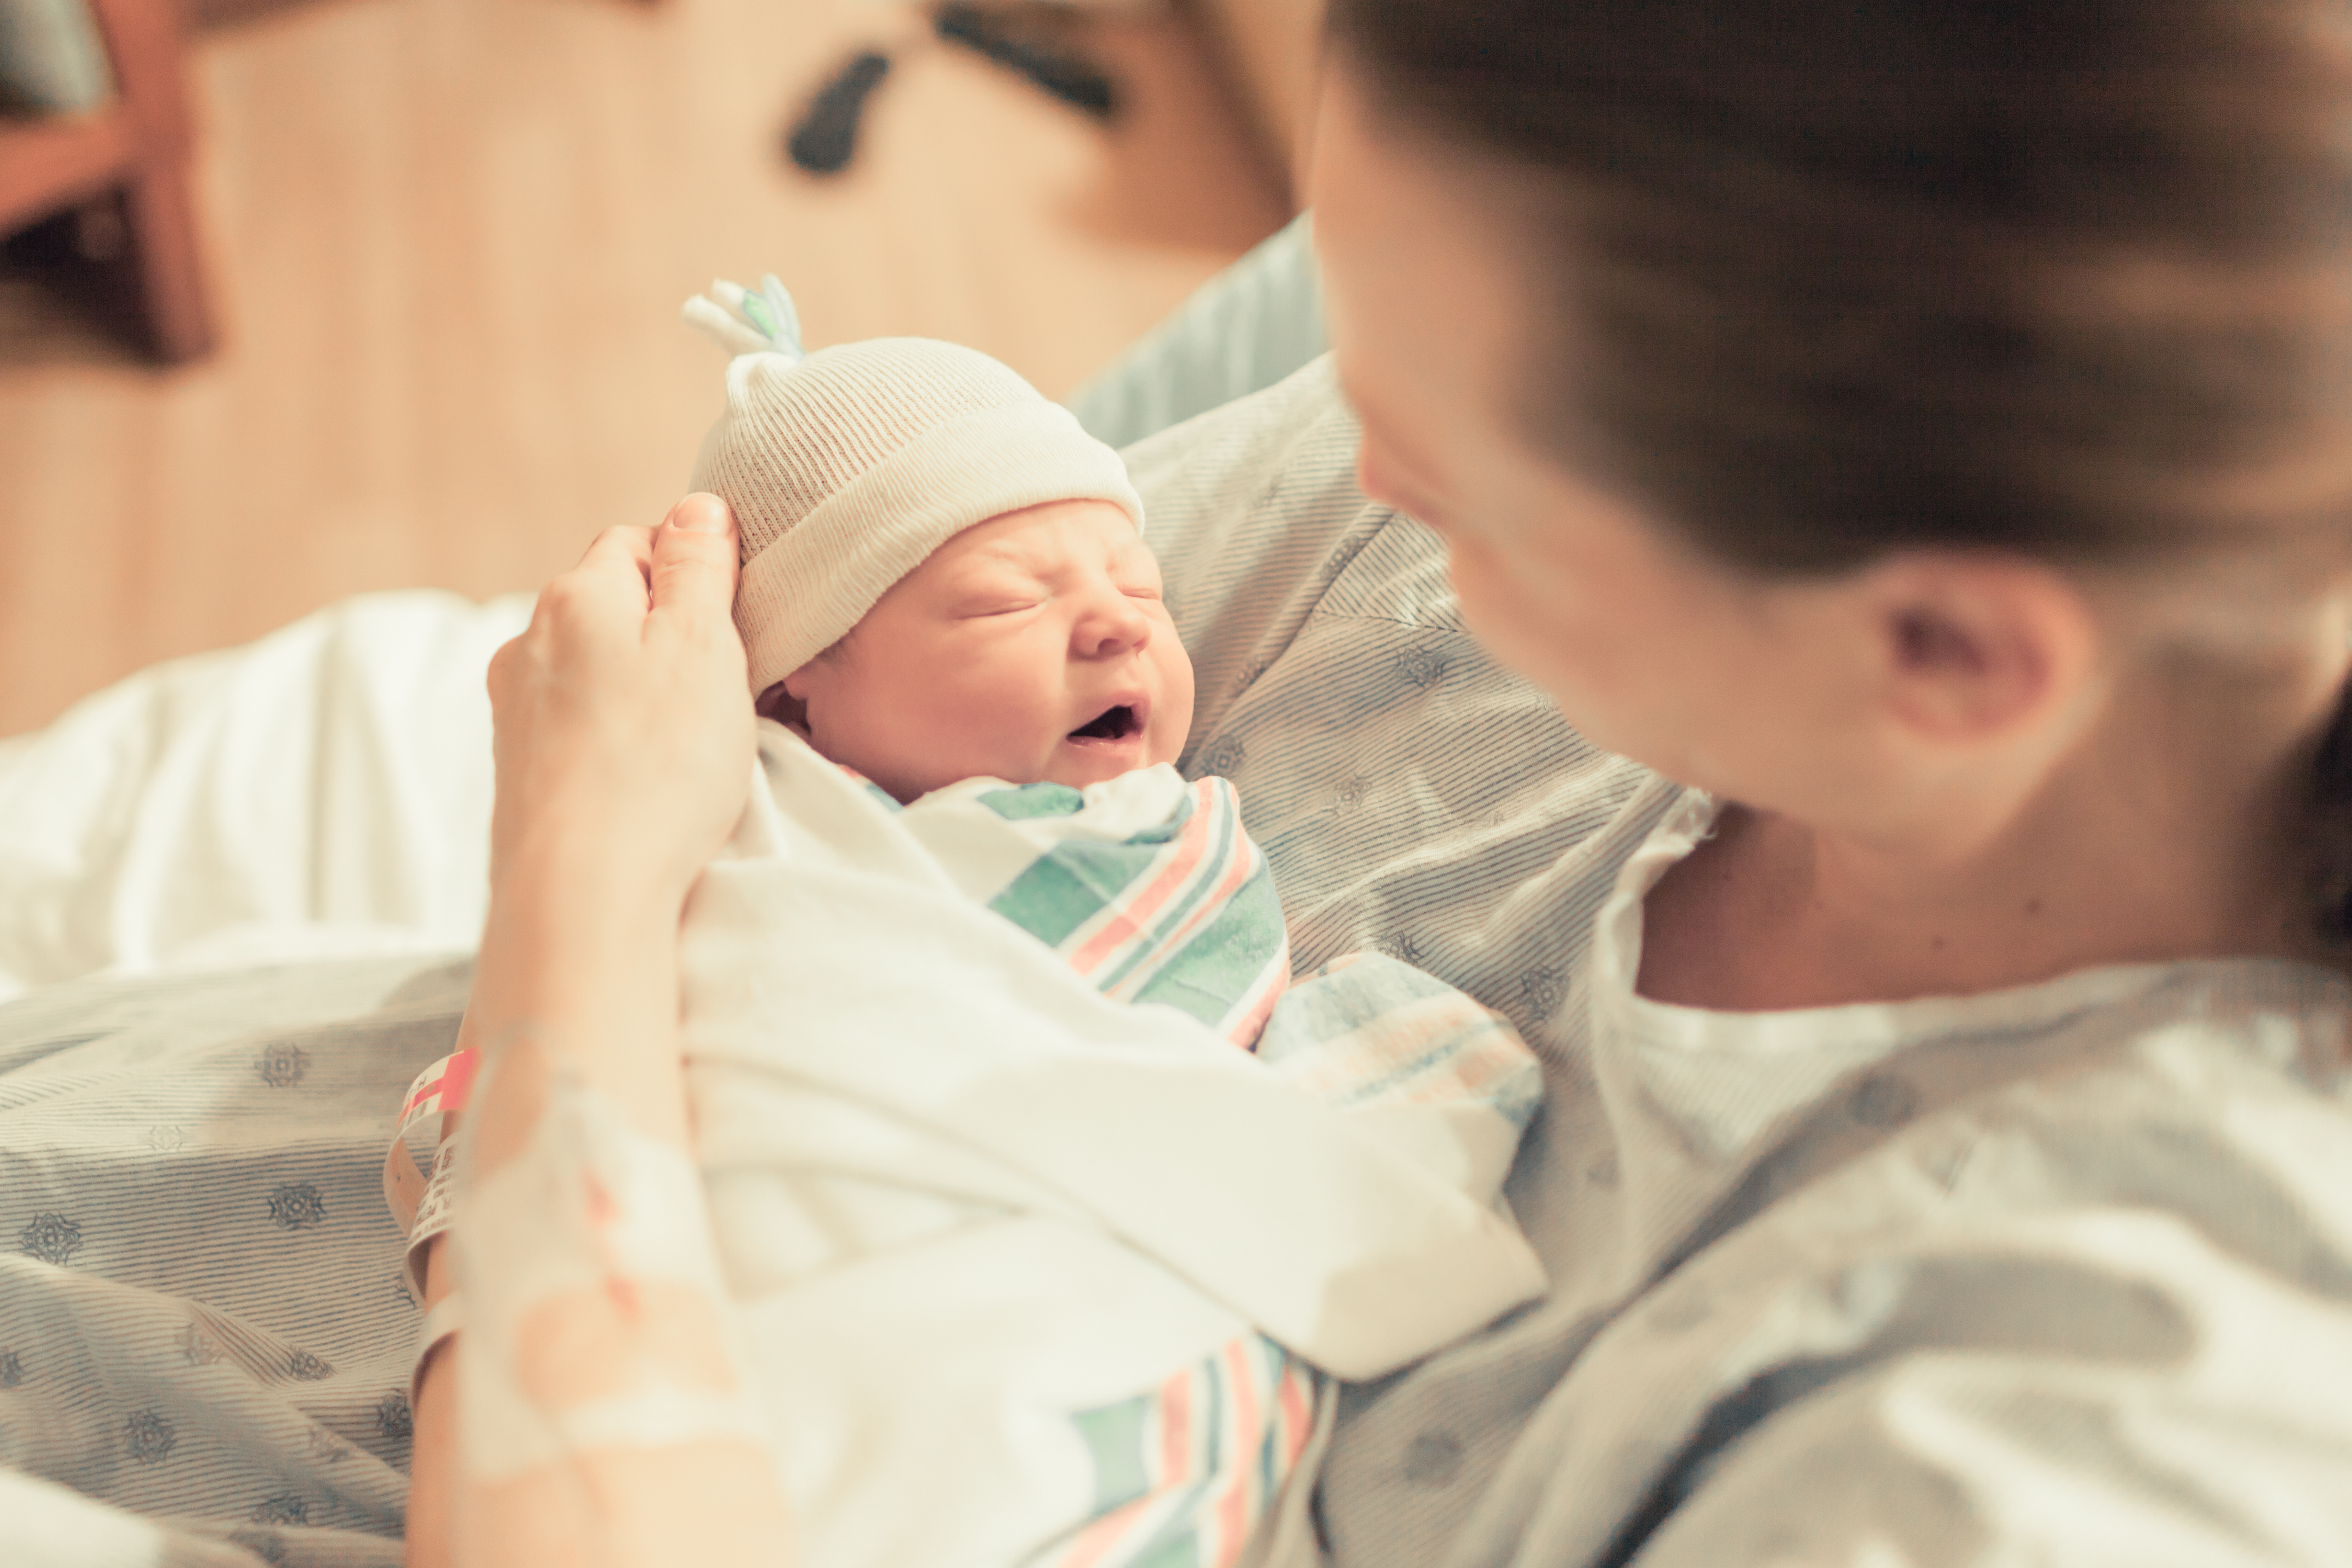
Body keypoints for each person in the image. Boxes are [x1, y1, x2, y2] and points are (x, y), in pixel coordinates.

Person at [410, 0, 2352, 1562]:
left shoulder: (2039, 1420)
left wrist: (572, 882)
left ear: (1937, 656)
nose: (1362, 469)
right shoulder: (1534, 482)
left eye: (1443, 469)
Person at [394, 286, 1546, 1567]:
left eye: (1143, 588)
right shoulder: (760, 842)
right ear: (794, 702)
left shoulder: (1156, 850)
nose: (1116, 621)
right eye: (1004, 603)